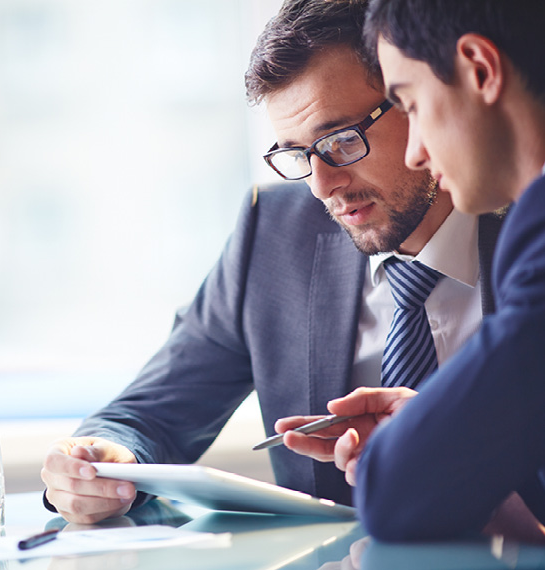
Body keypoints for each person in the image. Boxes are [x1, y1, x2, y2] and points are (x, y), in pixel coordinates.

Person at [40, 0, 504, 525]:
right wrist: (98, 459)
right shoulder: (277, 231)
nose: (322, 186)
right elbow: (153, 410)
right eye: (297, 154)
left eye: (342, 141)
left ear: (414, 98)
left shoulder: (525, 225)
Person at [283, 0, 545, 544]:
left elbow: (393, 496)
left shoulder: (535, 232)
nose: (418, 150)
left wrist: (426, 448)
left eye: (412, 104)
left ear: (479, 69)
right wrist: (446, 429)